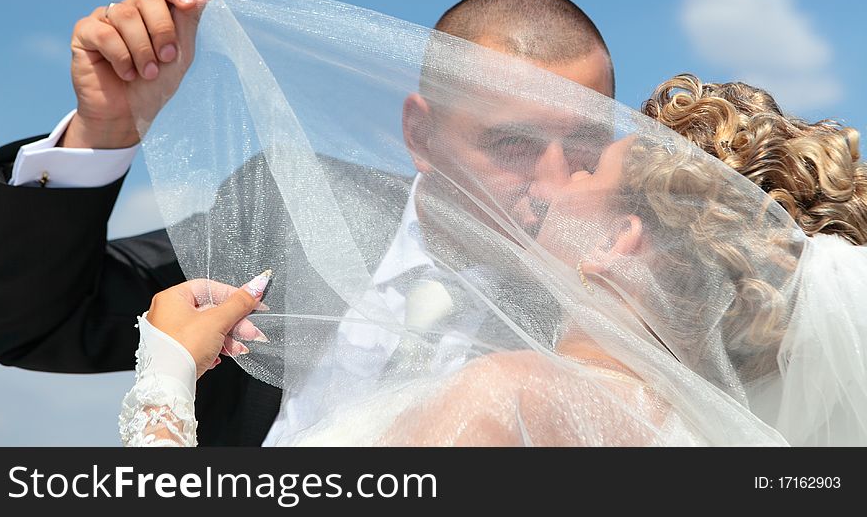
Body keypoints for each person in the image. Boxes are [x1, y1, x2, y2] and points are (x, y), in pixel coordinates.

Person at [0, 0, 615, 445]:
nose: (554, 184)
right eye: (511, 145)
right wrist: (105, 131)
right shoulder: (284, 205)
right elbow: (36, 324)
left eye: (585, 146)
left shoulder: (616, 305)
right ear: (421, 136)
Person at [121, 68, 867, 447]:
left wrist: (165, 380)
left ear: (618, 242)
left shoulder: (512, 399)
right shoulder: (687, 431)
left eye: (584, 168)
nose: (550, 174)